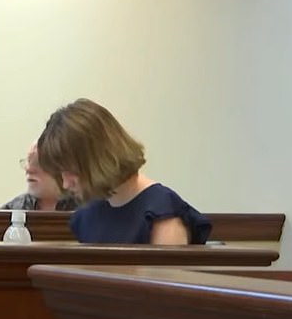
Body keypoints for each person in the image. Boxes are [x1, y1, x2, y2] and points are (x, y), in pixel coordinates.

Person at [37, 98, 211, 245]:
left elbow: (165, 282)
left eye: (71, 171)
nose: (66, 183)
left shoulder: (161, 214)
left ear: (97, 160)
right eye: (60, 173)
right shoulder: (86, 217)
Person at [0, 143, 78, 211]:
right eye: (28, 161)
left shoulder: (85, 211)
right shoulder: (12, 211)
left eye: (38, 162)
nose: (28, 169)